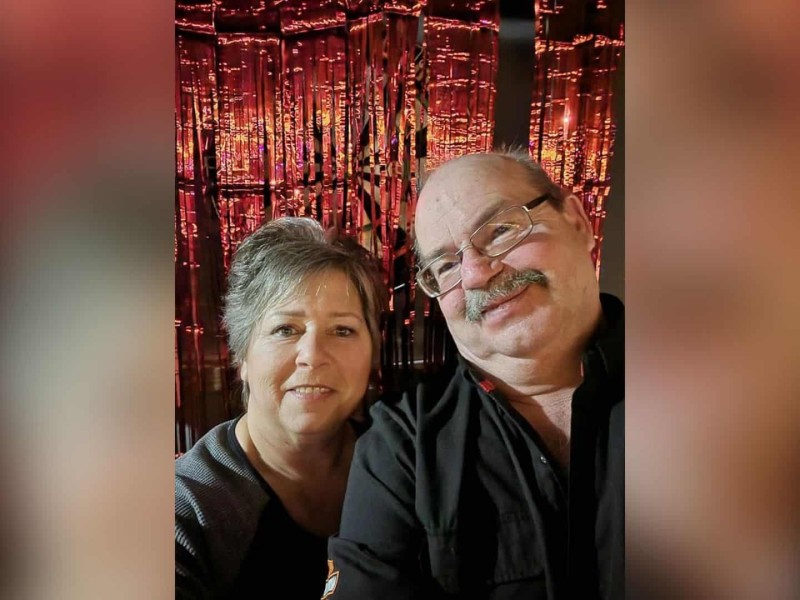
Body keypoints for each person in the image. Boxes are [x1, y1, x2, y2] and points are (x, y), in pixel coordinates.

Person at [325, 151, 623, 599]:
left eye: (501, 230)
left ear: (578, 222)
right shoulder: (403, 445)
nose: (476, 274)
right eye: (445, 265)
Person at [175, 217, 386, 599]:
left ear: (372, 351)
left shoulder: (408, 465)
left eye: (342, 330)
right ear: (242, 356)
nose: (313, 356)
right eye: (285, 329)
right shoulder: (185, 509)